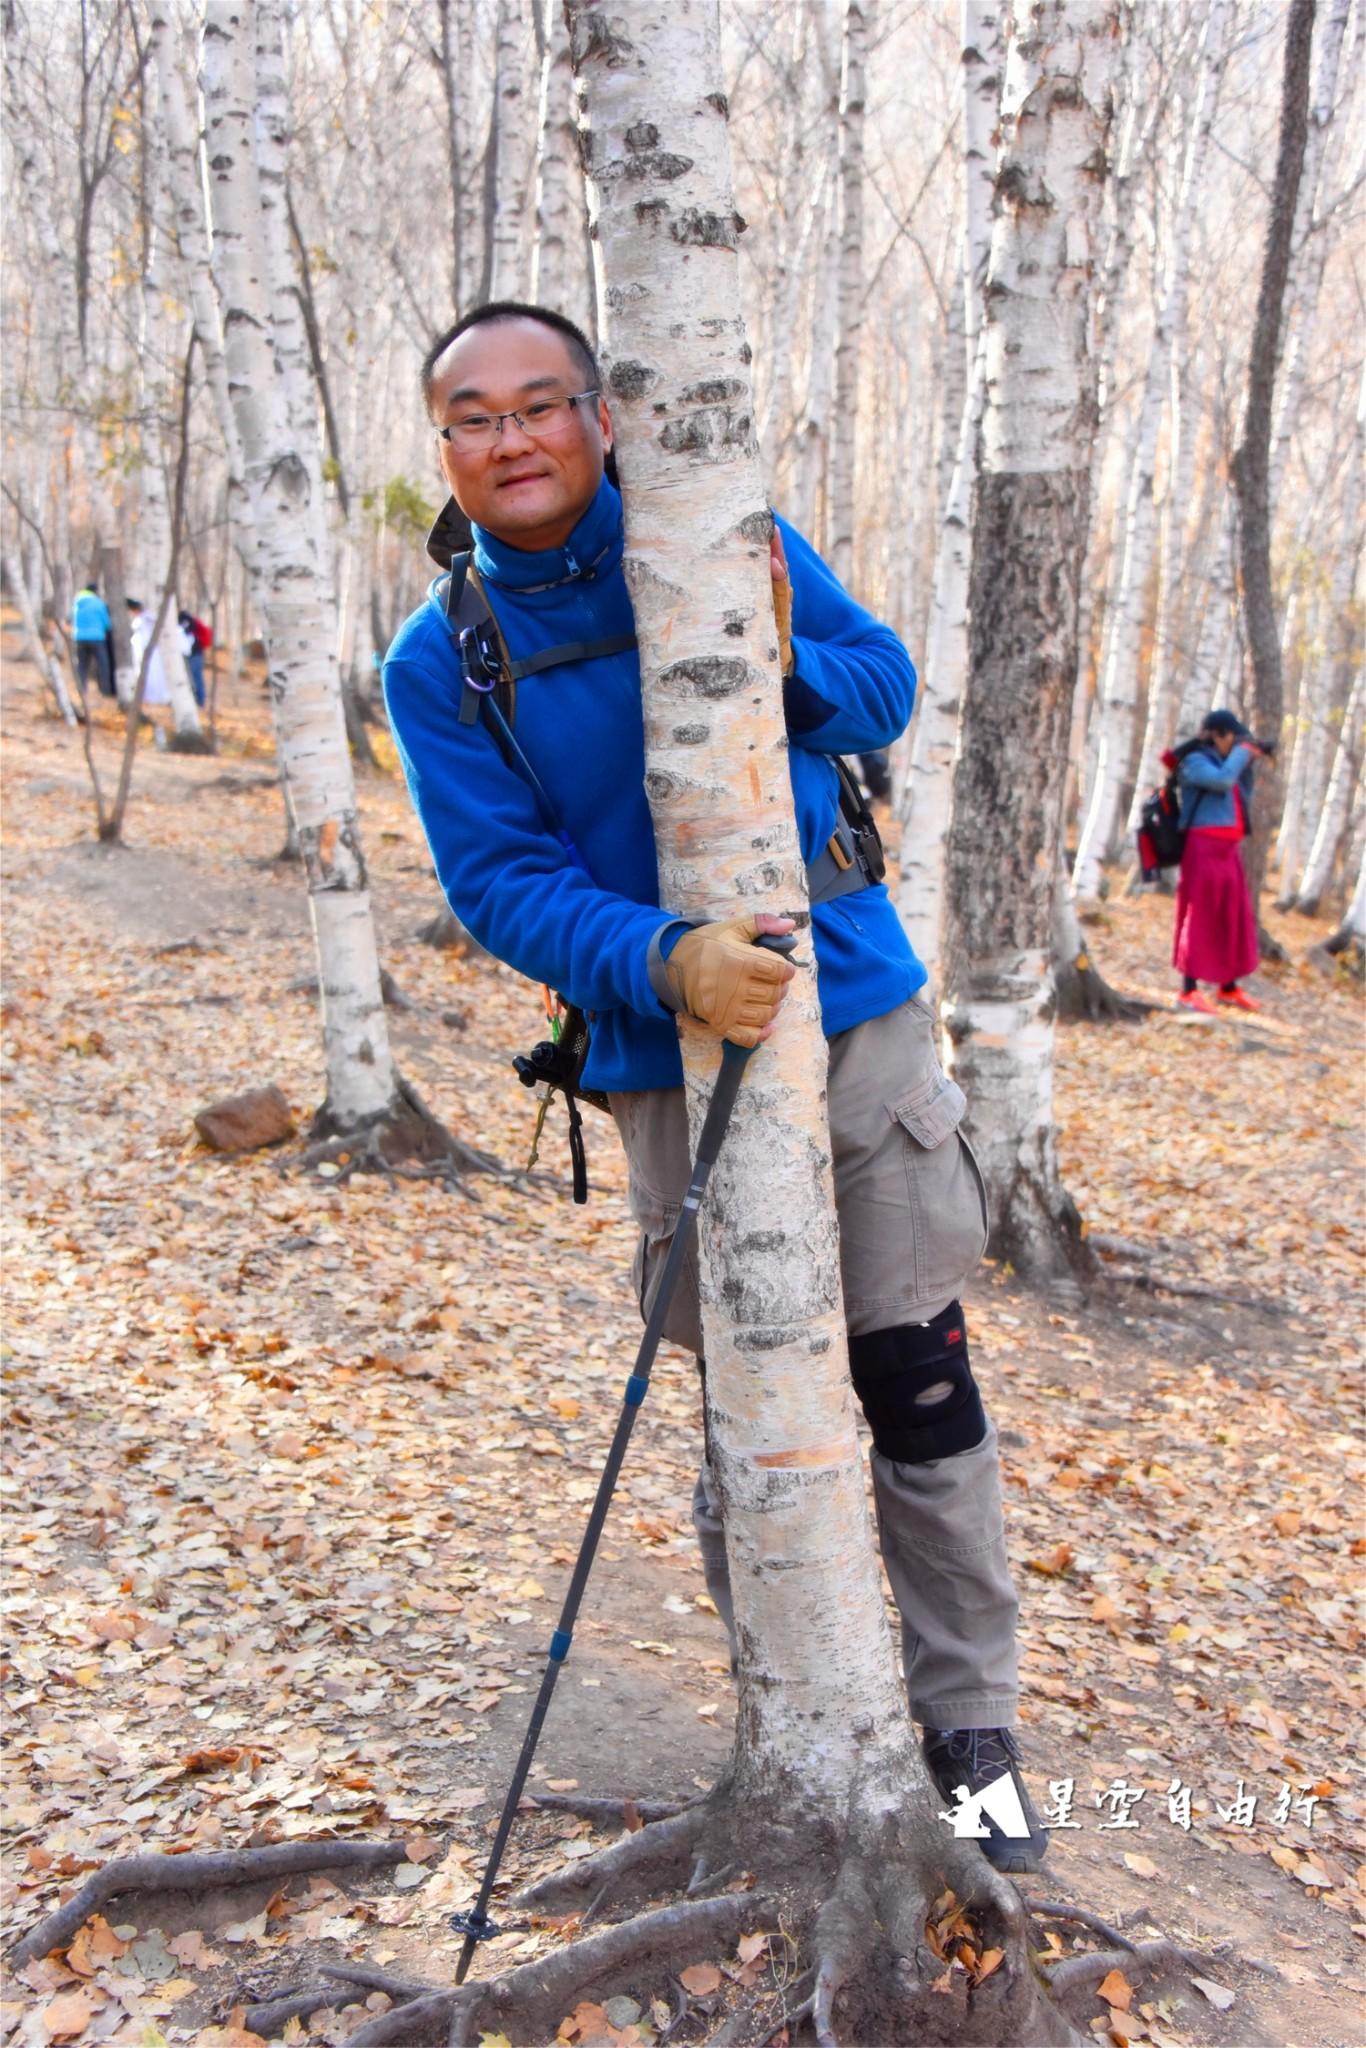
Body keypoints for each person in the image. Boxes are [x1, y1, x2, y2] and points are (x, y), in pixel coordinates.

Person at [383, 301, 1047, 1872]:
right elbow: (497, 882)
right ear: (446, 447)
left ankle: (971, 1740)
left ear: (598, 420)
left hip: (854, 1010)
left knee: (914, 1377)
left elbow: (880, 686)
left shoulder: (714, 536)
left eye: (540, 405)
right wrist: (665, 958)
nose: (512, 440)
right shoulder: (442, 657)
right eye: (473, 418)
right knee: (750, 1389)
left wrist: (772, 650)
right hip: (661, 1053)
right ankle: (802, 1720)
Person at [1170, 708, 1265, 1014]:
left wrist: (1248, 760)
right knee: (1200, 917)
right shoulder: (1194, 761)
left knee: (1232, 916)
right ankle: (1188, 991)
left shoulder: (1229, 761)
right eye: (1231, 738)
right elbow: (1222, 782)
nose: (1235, 745)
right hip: (1202, 848)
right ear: (1216, 736)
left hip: (1228, 850)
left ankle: (1228, 987)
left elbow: (1241, 794)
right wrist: (1242, 754)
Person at [71, 580, 115, 699]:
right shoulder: (98, 603)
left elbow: (72, 619)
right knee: (103, 664)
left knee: (82, 665)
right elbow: (107, 623)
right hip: (97, 638)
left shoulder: (77, 603)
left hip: (79, 637)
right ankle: (105, 691)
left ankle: (82, 690)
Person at [125, 599, 169, 711]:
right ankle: (144, 695)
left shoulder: (147, 618)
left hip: (149, 649)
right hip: (141, 648)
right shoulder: (144, 618)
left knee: (152, 672)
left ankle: (152, 695)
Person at [178, 610, 207, 708]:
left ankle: (196, 700)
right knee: (197, 678)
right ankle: (200, 700)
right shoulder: (192, 622)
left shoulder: (186, 622)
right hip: (198, 654)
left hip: (194, 655)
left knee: (192, 678)